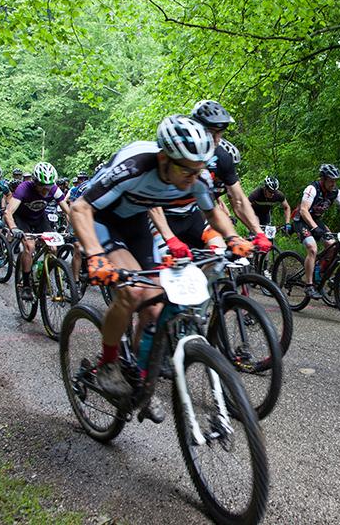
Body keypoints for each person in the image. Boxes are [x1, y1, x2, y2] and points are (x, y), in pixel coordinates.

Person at [69, 115, 251, 414]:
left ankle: (141, 379)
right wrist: (95, 255)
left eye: (199, 170)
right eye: (186, 170)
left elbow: (212, 212)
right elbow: (80, 207)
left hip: (136, 222)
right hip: (101, 221)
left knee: (156, 306)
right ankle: (108, 363)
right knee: (133, 293)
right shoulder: (135, 166)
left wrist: (231, 237)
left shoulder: (197, 175)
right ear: (164, 157)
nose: (193, 178)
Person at [187, 100, 272, 254]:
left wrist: (258, 232)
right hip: (169, 216)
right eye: (212, 133)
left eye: (220, 133)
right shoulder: (177, 149)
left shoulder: (222, 157)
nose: (217, 139)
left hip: (202, 216)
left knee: (218, 254)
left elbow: (239, 199)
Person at [292, 163, 340, 299]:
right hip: (301, 220)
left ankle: (318, 270)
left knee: (332, 246)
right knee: (312, 248)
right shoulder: (312, 189)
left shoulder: (335, 192)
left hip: (316, 221)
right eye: (331, 180)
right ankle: (308, 286)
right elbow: (303, 210)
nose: (333, 183)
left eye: (335, 181)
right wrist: (314, 228)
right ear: (323, 179)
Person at [3, 162, 70, 301]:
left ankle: (42, 275)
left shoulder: (53, 188)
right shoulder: (24, 188)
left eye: (48, 186)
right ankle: (26, 285)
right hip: (22, 219)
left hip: (40, 218)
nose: (46, 190)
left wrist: (75, 228)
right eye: (42, 187)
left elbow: (68, 211)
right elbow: (8, 212)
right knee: (30, 246)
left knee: (53, 247)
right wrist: (14, 228)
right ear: (34, 182)